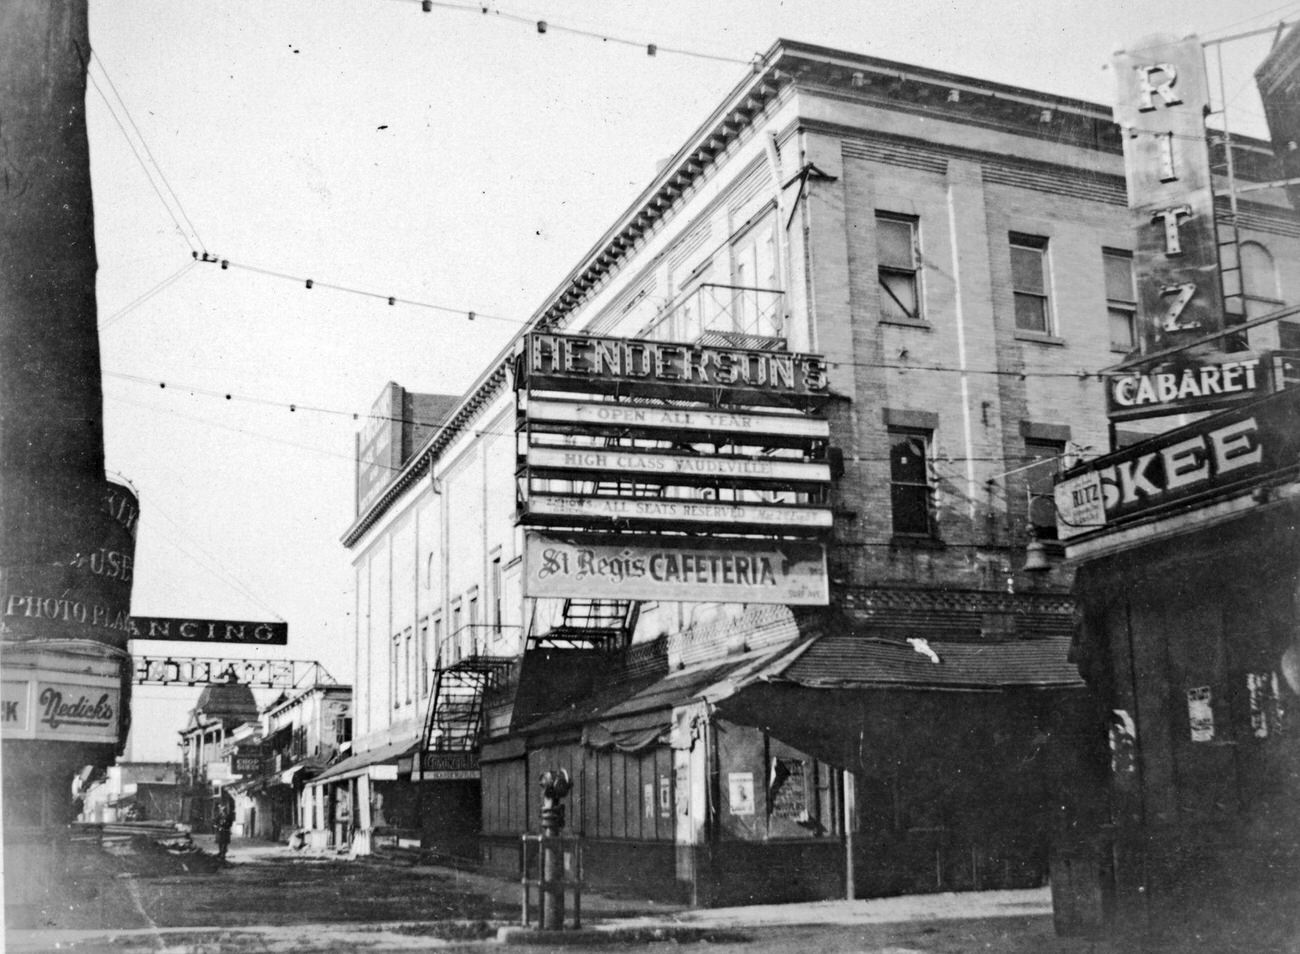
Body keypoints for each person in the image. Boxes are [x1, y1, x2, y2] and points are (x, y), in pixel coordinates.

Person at [214, 797, 234, 862]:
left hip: (225, 831)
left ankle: (223, 853)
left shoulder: (228, 816)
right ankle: (221, 852)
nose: (223, 810)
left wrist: (227, 827)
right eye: (222, 809)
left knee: (225, 843)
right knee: (220, 842)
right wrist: (217, 826)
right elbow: (215, 822)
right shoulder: (219, 816)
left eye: (224, 809)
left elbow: (230, 823)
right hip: (220, 831)